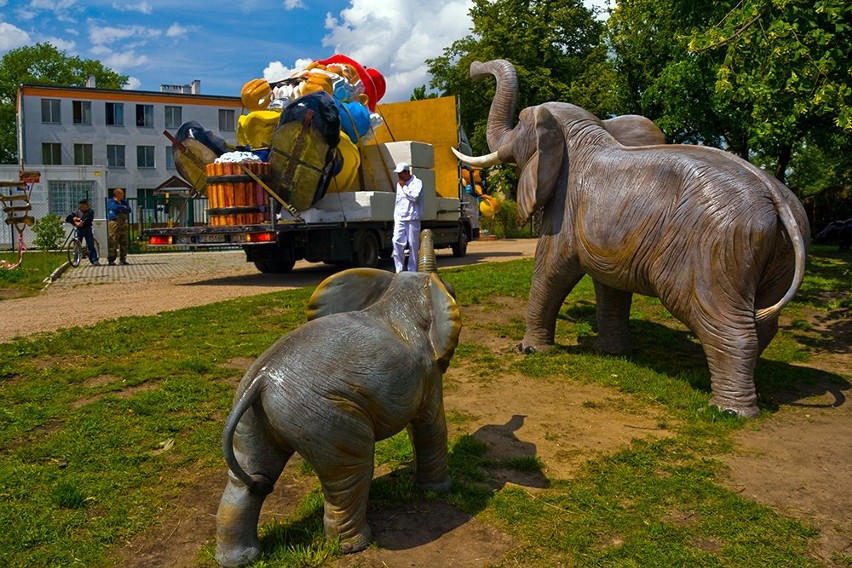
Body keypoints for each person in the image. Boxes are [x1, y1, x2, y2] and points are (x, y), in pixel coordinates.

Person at [391, 162, 423, 272]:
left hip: (413, 218)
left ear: (407, 172)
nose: (399, 176)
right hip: (400, 217)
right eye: (398, 174)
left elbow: (415, 197)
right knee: (396, 241)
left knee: (413, 245)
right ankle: (398, 270)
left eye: (401, 173)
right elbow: (397, 202)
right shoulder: (399, 184)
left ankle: (412, 269)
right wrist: (395, 219)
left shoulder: (417, 183)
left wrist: (404, 187)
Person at [65, 199, 100, 265]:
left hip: (87, 229)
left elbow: (88, 219)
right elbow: (68, 218)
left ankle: (95, 260)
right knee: (77, 245)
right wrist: (75, 222)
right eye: (80, 206)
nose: (81, 208)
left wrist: (80, 222)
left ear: (87, 206)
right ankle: (76, 260)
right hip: (79, 230)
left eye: (83, 206)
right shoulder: (76, 211)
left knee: (91, 245)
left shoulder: (90, 211)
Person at [107, 187, 132, 265]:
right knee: (113, 241)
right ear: (117, 194)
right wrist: (122, 208)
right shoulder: (110, 201)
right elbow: (114, 207)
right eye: (122, 193)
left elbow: (129, 210)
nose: (123, 195)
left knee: (124, 242)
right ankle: (111, 260)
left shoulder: (124, 202)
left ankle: (123, 259)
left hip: (123, 224)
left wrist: (122, 208)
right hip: (114, 224)